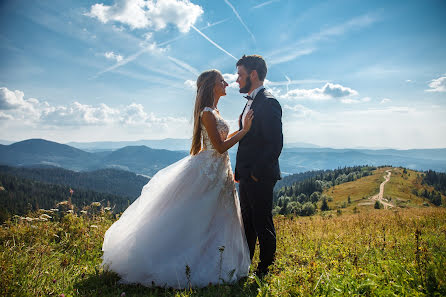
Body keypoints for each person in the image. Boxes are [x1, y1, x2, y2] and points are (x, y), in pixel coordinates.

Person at [101, 69, 253, 288]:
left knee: (216, 217)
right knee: (199, 216)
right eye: (222, 80)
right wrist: (244, 131)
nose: (227, 83)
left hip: (219, 171)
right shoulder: (207, 113)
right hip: (210, 171)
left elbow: (219, 140)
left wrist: (239, 130)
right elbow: (219, 148)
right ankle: (191, 261)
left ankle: (219, 261)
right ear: (212, 85)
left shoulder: (215, 111)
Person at [234, 55, 283, 276]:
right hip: (246, 175)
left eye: (240, 74)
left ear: (253, 75)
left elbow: (274, 144)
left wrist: (255, 174)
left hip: (259, 176)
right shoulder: (251, 101)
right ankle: (246, 266)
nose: (237, 80)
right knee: (247, 222)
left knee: (262, 221)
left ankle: (265, 268)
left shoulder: (269, 102)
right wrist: (241, 173)